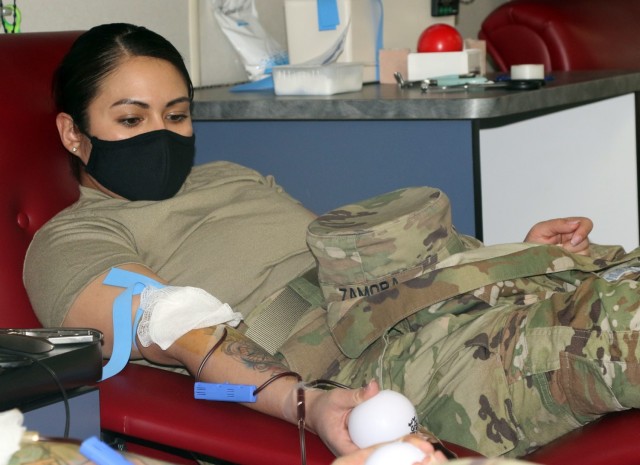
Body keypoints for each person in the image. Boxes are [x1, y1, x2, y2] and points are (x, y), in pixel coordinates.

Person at [23, 22, 639, 462]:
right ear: (74, 134)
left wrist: (503, 259)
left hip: (435, 301)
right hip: (370, 363)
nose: (161, 135)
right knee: (616, 328)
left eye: (177, 115)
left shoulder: (231, 177)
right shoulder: (73, 238)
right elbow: (173, 324)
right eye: (131, 119)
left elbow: (360, 272)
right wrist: (306, 405)